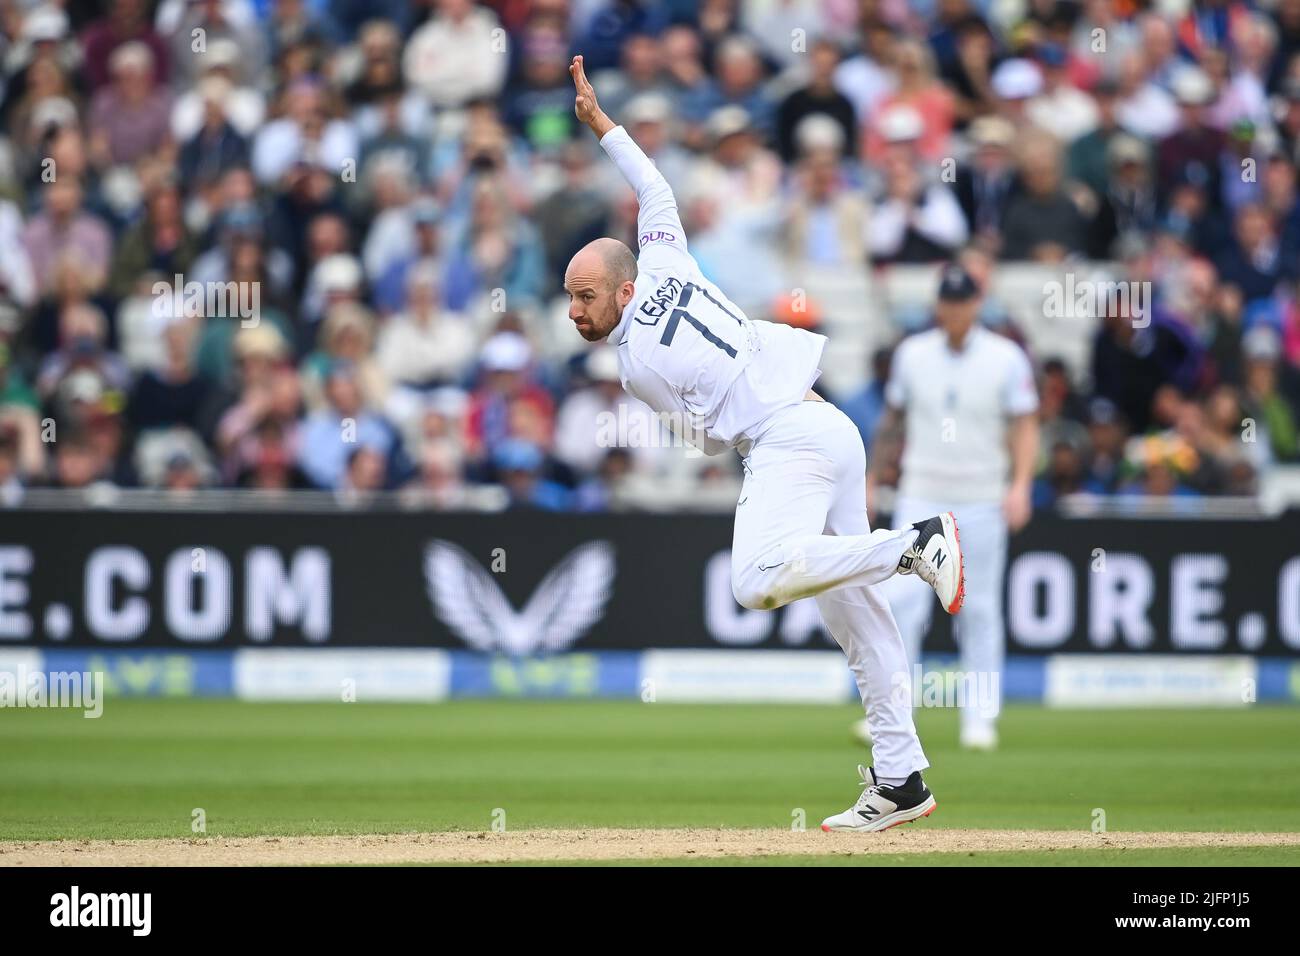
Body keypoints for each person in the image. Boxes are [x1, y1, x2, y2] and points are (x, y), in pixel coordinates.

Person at [565, 55, 965, 833]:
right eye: (568, 300)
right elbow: (656, 189)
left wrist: (727, 428)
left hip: (786, 440)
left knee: (755, 580)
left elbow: (709, 440)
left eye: (584, 298)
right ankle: (901, 778)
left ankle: (913, 544)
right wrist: (605, 126)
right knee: (859, 621)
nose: (574, 313)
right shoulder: (668, 256)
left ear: (622, 289)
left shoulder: (634, 366)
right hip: (828, 424)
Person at [868, 262, 1040, 751]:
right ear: (938, 305)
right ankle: (895, 714)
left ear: (977, 304)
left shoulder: (1006, 358)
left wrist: (1021, 485)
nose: (955, 311)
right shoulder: (913, 354)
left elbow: (1025, 425)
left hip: (983, 496)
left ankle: (979, 719)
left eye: (963, 302)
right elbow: (892, 421)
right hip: (921, 491)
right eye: (947, 302)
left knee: (979, 608)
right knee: (902, 603)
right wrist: (873, 477)